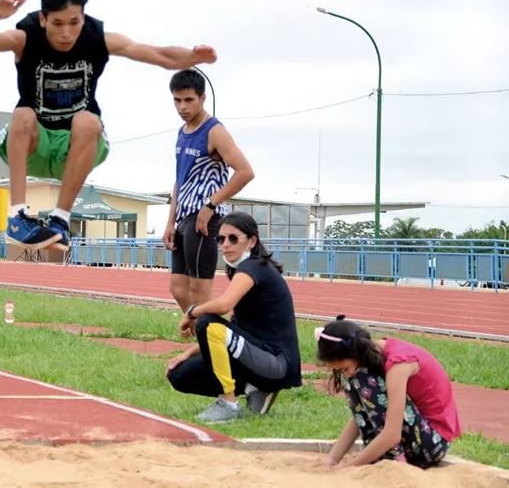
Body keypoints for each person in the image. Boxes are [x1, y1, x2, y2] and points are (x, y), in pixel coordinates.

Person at [0, 0, 218, 251]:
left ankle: (60, 219)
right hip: (33, 144)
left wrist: (193, 56)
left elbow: (158, 55)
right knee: (23, 114)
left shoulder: (97, 39)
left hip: (77, 148)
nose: (66, 33)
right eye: (57, 24)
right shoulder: (26, 38)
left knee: (88, 121)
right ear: (43, 19)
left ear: (83, 19)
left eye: (74, 23)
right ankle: (16, 216)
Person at [167, 212, 301, 423]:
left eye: (233, 238)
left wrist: (191, 312)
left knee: (207, 321)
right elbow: (229, 331)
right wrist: (189, 353)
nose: (225, 245)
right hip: (258, 357)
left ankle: (229, 404)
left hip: (276, 363)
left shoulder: (255, 266)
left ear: (252, 240)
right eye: (220, 239)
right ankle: (256, 388)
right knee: (180, 374)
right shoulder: (241, 270)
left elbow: (223, 305)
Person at [316, 315, 461, 469]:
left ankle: (393, 460)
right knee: (353, 381)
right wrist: (332, 459)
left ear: (356, 353)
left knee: (361, 379)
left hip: (432, 444)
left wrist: (349, 467)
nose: (347, 374)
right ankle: (380, 455)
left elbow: (392, 434)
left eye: (345, 368)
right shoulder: (370, 360)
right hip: (414, 437)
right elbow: (362, 415)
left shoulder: (398, 365)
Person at [163, 69, 254, 313]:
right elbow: (179, 180)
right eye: (177, 100)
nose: (182, 107)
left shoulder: (214, 131)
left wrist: (211, 205)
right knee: (178, 289)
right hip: (183, 217)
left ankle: (213, 342)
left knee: (200, 291)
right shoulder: (182, 133)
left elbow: (245, 172)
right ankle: (200, 332)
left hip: (204, 218)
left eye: (189, 100)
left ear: (203, 98)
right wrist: (170, 221)